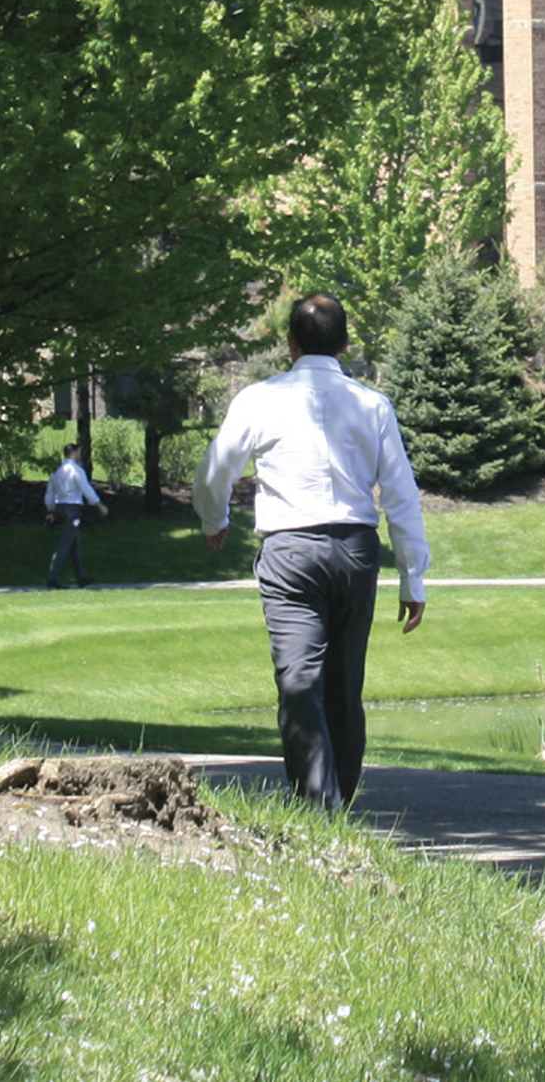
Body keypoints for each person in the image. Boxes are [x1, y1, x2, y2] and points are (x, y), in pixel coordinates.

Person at [193, 293, 429, 809]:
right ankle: (337, 804)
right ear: (346, 343)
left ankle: (320, 809)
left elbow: (214, 471)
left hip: (291, 550)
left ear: (290, 343)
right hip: (356, 550)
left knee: (300, 682)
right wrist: (413, 577)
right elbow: (401, 497)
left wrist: (216, 520)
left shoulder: (260, 399)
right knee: (345, 688)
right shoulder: (372, 404)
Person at [44, 442, 107, 588]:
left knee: (74, 544)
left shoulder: (58, 471)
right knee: (64, 545)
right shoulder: (76, 470)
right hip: (72, 509)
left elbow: (50, 493)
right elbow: (86, 490)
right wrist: (100, 506)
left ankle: (81, 577)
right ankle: (52, 578)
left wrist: (50, 511)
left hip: (60, 507)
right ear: (74, 453)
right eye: (78, 452)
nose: (80, 455)